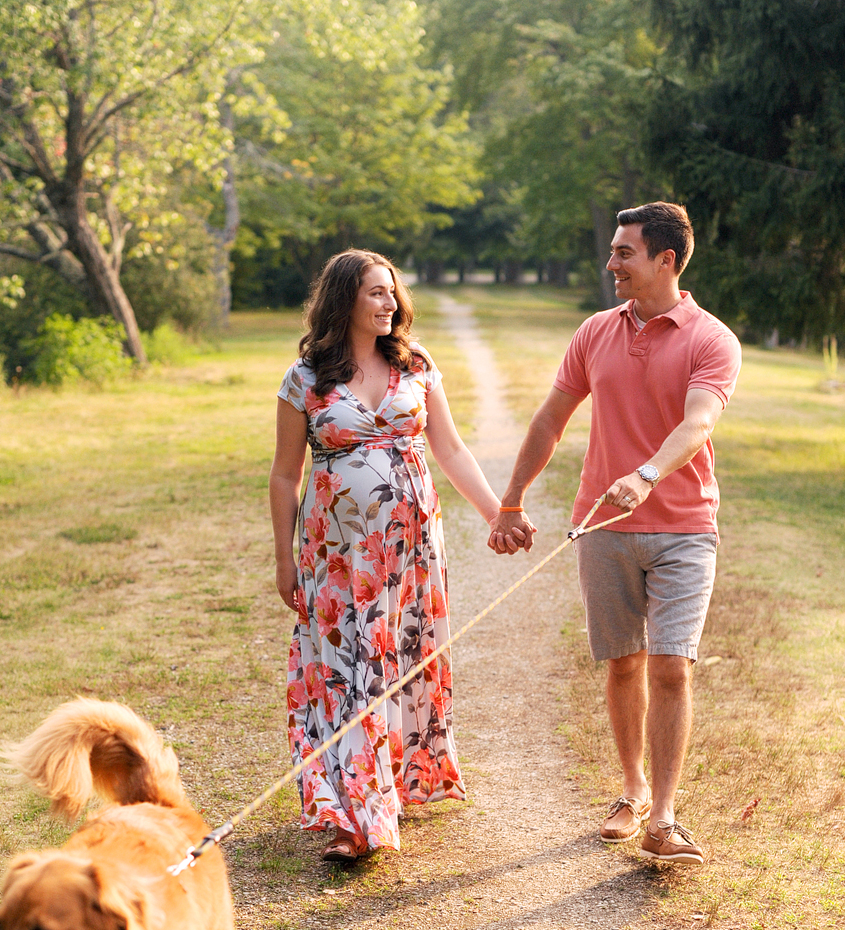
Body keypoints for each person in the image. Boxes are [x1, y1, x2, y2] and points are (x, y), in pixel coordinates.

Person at [490, 202, 742, 865]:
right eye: (612, 251)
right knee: (623, 661)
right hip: (602, 527)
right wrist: (511, 500)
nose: (611, 264)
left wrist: (648, 474)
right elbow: (550, 419)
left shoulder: (712, 339)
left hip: (684, 527)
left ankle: (663, 816)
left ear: (665, 260)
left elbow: (698, 424)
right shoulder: (595, 332)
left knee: (670, 664)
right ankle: (630, 793)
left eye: (623, 252)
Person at [270, 250, 512, 861]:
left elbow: (452, 451)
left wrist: (498, 514)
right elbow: (284, 474)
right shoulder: (306, 378)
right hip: (339, 555)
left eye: (392, 293)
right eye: (375, 293)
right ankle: (358, 815)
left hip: (412, 549)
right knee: (349, 669)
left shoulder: (417, 365)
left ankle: (392, 785)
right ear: (343, 299)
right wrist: (282, 558)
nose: (388, 304)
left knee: (400, 662)